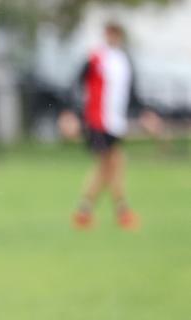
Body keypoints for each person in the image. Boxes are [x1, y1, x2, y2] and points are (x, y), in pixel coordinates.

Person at [58, 22, 162, 230]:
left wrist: (145, 113)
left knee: (107, 167)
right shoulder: (96, 58)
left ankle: (85, 212)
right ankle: (120, 212)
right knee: (113, 164)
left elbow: (132, 94)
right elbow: (75, 83)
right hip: (97, 121)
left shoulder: (124, 61)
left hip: (116, 123)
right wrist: (70, 112)